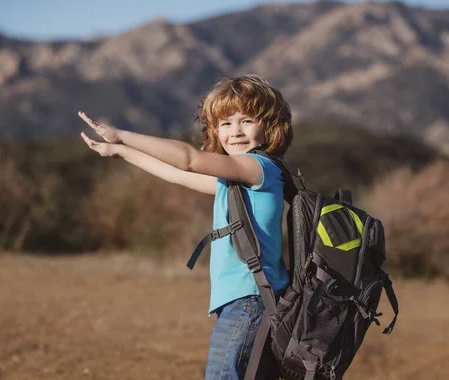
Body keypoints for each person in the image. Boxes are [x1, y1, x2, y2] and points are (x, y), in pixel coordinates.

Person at [78, 74, 293, 380]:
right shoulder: (237, 178)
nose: (235, 131)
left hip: (249, 300)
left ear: (268, 126)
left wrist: (122, 135)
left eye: (246, 121)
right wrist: (119, 152)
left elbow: (189, 160)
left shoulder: (257, 168)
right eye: (226, 123)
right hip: (245, 300)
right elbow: (177, 174)